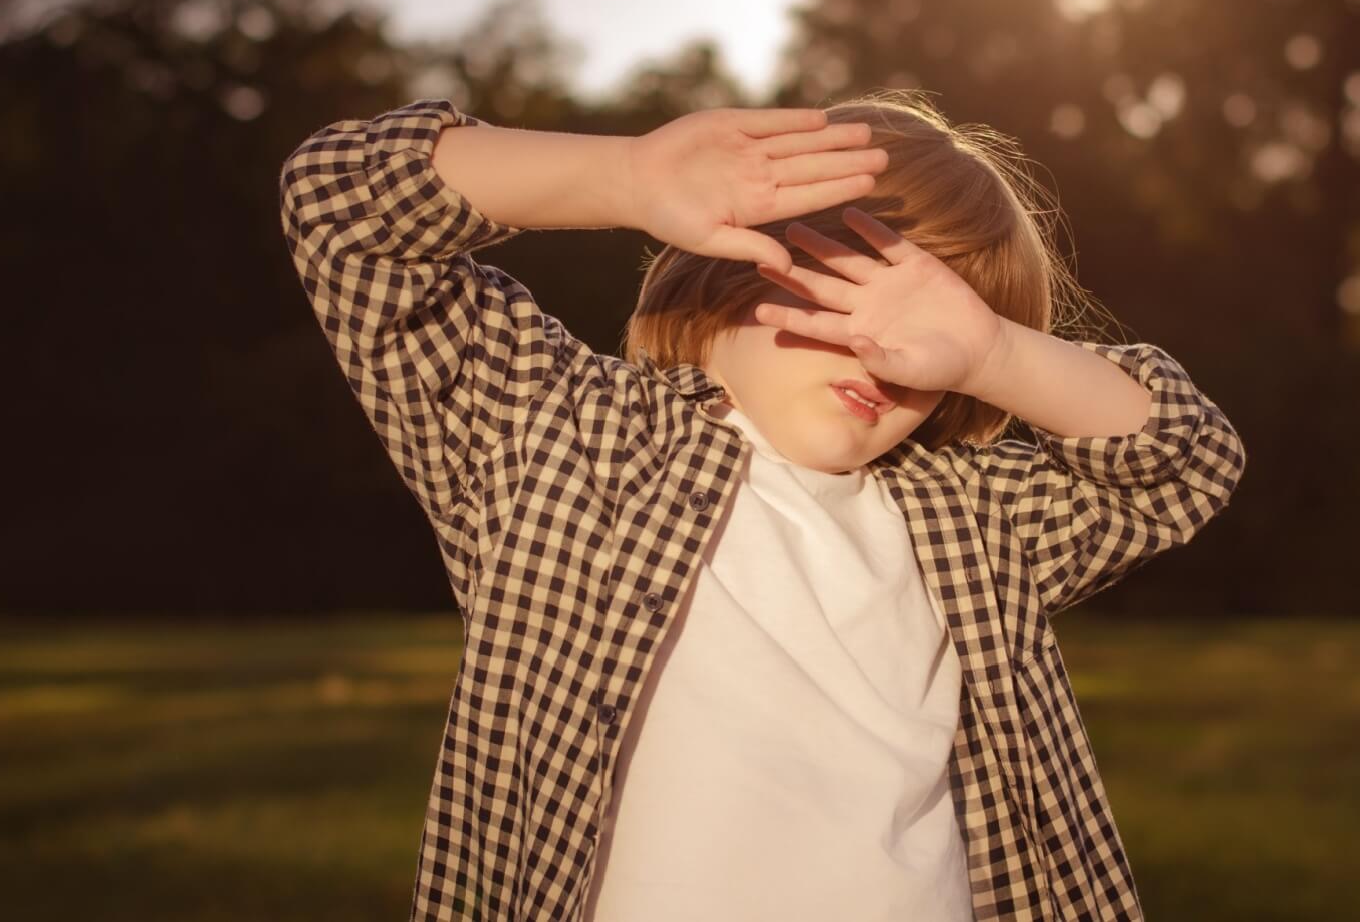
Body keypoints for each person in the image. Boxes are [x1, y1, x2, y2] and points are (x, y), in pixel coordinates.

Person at [277, 92, 1247, 921]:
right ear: (734, 263)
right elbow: (336, 206)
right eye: (850, 297)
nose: (884, 354)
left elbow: (1184, 464)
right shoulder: (567, 438)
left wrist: (996, 354)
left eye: (926, 335)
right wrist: (623, 179)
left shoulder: (969, 515)